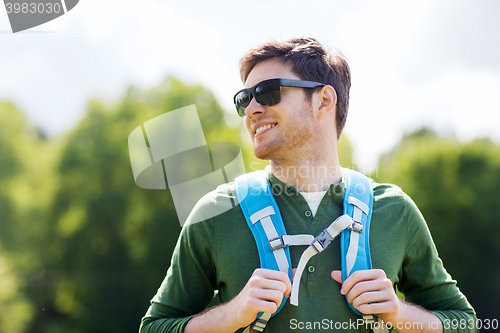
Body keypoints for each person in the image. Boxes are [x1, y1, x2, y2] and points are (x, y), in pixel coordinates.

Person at [139, 37, 477, 333]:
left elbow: (463, 321)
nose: (252, 110)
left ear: (324, 101)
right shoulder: (216, 211)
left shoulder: (395, 210)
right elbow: (154, 327)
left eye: (268, 92)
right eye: (245, 99)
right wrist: (229, 315)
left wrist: (399, 313)